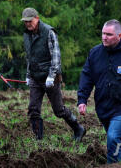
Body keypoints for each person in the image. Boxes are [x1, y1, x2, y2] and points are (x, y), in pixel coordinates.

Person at [77, 19, 121, 163]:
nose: (104, 37)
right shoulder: (95, 53)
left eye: (109, 34)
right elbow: (87, 76)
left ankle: (113, 165)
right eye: (103, 33)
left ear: (119, 36)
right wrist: (82, 99)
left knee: (113, 136)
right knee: (118, 136)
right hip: (103, 106)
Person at [21, 7, 86, 141]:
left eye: (30, 21)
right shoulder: (26, 35)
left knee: (59, 110)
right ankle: (38, 140)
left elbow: (56, 57)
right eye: (25, 22)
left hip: (51, 77)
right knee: (33, 109)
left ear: (37, 18)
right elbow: (30, 57)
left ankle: (78, 128)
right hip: (35, 77)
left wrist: (51, 76)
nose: (27, 24)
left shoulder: (49, 32)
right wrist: (28, 75)